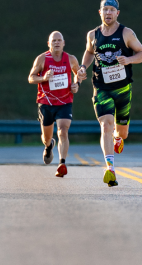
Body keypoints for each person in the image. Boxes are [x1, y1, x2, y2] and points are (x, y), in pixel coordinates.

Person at [81, 0, 142, 187]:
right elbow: (89, 53)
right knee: (105, 125)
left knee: (122, 132)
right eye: (105, 9)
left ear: (117, 13)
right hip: (101, 88)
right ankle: (110, 168)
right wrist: (84, 67)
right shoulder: (93, 35)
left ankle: (118, 138)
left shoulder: (126, 33)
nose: (108, 13)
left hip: (123, 89)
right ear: (100, 13)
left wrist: (129, 60)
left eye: (112, 10)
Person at [28, 31, 81, 177]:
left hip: (65, 101)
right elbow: (31, 78)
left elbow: (79, 74)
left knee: (63, 131)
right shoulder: (42, 59)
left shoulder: (70, 59)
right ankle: (49, 145)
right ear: (49, 44)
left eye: (59, 40)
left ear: (64, 43)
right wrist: (43, 78)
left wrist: (77, 84)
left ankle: (62, 163)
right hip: (46, 102)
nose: (56, 43)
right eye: (53, 41)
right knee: (46, 137)